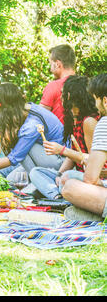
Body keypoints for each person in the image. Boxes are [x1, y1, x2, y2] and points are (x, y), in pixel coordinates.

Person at [0, 83, 66, 180]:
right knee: (8, 179)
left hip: (60, 162)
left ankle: (38, 181)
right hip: (44, 156)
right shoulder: (28, 108)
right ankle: (32, 180)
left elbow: (14, 158)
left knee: (26, 147)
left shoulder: (31, 125)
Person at [29, 75, 100, 199]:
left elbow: (92, 160)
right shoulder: (74, 120)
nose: (60, 97)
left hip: (91, 179)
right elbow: (71, 158)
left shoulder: (89, 121)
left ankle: (57, 194)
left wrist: (61, 150)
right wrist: (59, 174)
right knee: (36, 172)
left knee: (67, 177)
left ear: (69, 96)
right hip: (76, 175)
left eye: (62, 93)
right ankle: (57, 196)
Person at [60, 73, 107, 221]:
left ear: (105, 101)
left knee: (70, 186)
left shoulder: (102, 124)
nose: (95, 106)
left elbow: (90, 179)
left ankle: (92, 214)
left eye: (95, 100)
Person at [39, 44, 76, 124]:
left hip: (60, 135)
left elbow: (40, 117)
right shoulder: (86, 84)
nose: (50, 68)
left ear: (58, 64)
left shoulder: (53, 86)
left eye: (51, 64)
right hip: (81, 134)